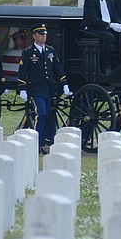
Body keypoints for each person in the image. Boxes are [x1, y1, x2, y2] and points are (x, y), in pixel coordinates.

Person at [18, 23, 72, 153]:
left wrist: (64, 83)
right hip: (35, 89)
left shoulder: (50, 51)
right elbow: (23, 71)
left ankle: (41, 142)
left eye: (45, 34)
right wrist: (22, 88)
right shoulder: (28, 53)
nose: (43, 37)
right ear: (34, 35)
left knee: (46, 114)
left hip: (48, 89)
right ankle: (35, 143)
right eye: (41, 34)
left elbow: (57, 68)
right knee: (40, 113)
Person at [82, 0, 121, 74]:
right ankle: (105, 67)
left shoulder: (110, 1)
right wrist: (109, 25)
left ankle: (119, 64)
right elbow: (92, 19)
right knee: (109, 37)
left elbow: (114, 16)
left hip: (107, 28)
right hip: (92, 29)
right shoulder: (90, 0)